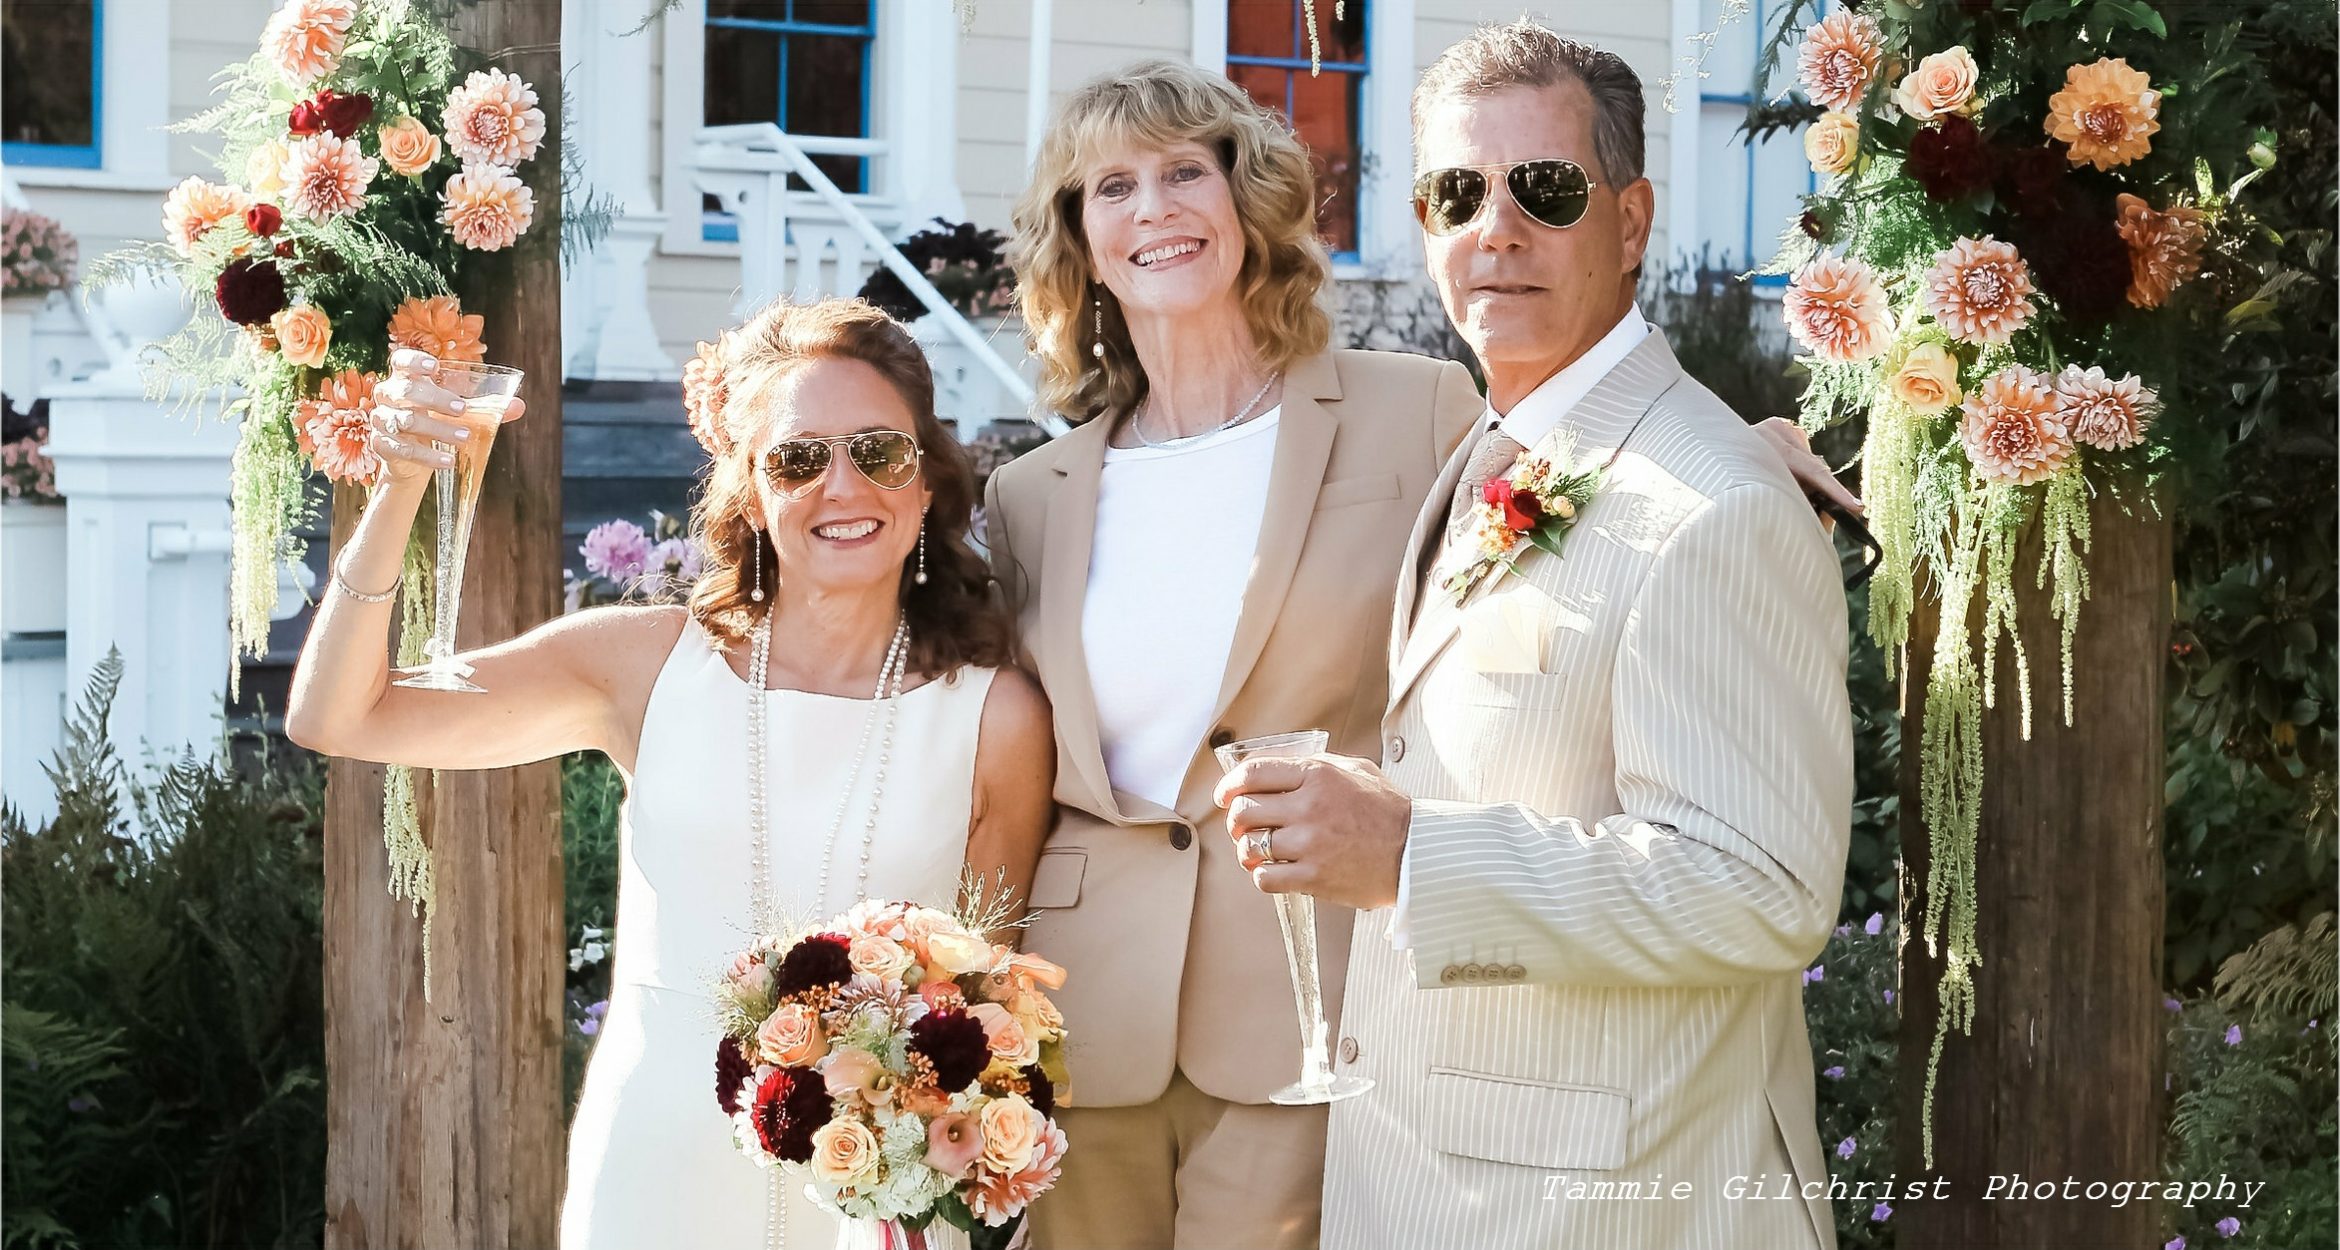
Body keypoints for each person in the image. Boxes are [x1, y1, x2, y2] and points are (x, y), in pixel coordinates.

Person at [986, 57, 1853, 1250]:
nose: (1153, 210)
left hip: (1314, 1012)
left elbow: (1592, 452)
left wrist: (1746, 452)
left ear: (1248, 201)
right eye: (1112, 187)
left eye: (1186, 171)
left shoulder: (1420, 408)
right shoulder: (1030, 494)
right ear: (1076, 236)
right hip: (1086, 1021)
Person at [285, 297, 1056, 1250]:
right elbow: (339, 715)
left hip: (880, 1199)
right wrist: (399, 485)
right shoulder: (649, 665)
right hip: (659, 1168)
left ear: (928, 481)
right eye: (798, 458)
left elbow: (989, 1007)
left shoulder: (998, 717)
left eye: (879, 453)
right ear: (751, 493)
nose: (843, 486)